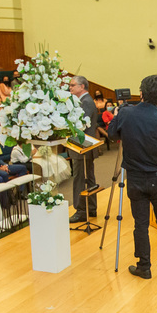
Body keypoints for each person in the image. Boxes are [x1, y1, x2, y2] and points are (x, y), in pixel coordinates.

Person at [107, 75, 157, 279]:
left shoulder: (126, 114)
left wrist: (116, 115)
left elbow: (112, 135)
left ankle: (144, 266)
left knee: (141, 223)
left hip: (136, 178)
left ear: (141, 93)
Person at [68, 75, 101, 224]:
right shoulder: (84, 101)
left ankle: (82, 210)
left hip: (83, 147)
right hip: (84, 147)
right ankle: (90, 207)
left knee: (81, 178)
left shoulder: (85, 102)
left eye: (72, 85)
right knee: (88, 178)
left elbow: (81, 125)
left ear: (82, 87)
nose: (70, 88)